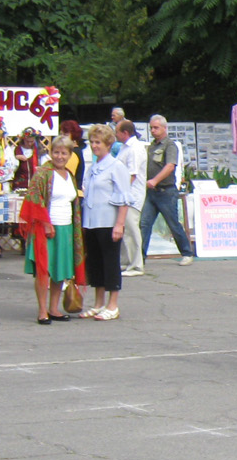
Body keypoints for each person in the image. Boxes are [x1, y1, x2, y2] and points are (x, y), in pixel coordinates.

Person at [20, 136, 84, 324]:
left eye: (64, 153)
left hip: (66, 227)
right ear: (51, 153)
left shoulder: (70, 175)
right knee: (44, 270)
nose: (60, 156)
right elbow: (34, 198)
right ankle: (42, 310)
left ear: (70, 155)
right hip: (46, 228)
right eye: (56, 152)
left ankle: (54, 308)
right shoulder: (43, 173)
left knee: (59, 269)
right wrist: (46, 223)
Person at [79, 124, 134, 321]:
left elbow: (124, 197)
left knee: (110, 262)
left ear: (108, 144)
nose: (94, 146)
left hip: (108, 222)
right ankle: (98, 303)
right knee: (95, 263)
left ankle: (113, 304)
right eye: (92, 142)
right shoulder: (93, 167)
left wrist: (119, 224)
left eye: (98, 142)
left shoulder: (116, 166)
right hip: (92, 222)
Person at [138, 115, 194, 265]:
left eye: (156, 127)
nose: (153, 130)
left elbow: (170, 166)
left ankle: (187, 253)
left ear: (164, 128)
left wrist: (155, 180)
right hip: (152, 193)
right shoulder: (151, 147)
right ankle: (140, 258)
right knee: (144, 224)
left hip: (166, 191)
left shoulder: (170, 145)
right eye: (151, 128)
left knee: (173, 224)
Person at [114, 120, 148, 275]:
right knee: (125, 229)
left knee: (131, 230)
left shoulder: (135, 149)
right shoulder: (124, 147)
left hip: (132, 195)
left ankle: (136, 265)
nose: (115, 135)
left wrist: (123, 192)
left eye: (117, 132)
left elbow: (131, 175)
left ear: (125, 133)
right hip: (124, 194)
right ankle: (126, 261)